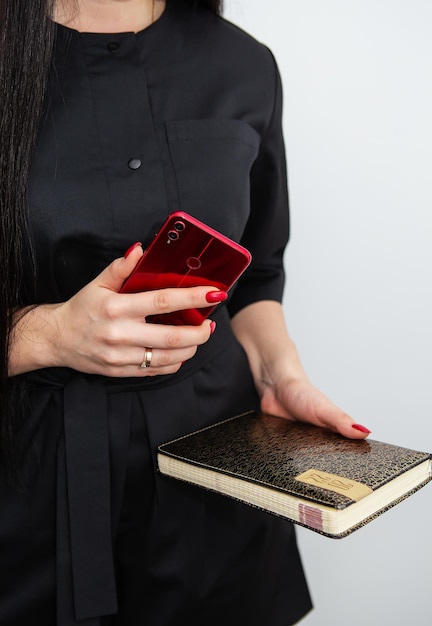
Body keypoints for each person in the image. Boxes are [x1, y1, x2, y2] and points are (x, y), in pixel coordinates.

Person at [0, 1, 371, 624]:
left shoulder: (243, 63)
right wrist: (46, 335)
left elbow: (256, 276)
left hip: (212, 479)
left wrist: (281, 375)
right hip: (23, 490)